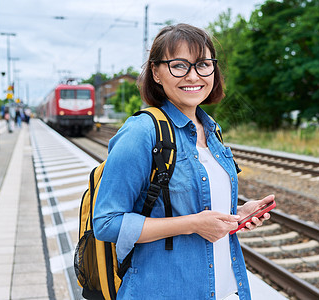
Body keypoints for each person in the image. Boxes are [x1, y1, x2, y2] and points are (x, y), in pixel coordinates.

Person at [93, 23, 274, 300]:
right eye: (179, 65)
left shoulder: (212, 130)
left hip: (225, 290)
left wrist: (236, 215)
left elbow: (191, 203)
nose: (193, 76)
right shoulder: (142, 132)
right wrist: (193, 224)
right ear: (156, 72)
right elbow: (107, 222)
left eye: (203, 64)